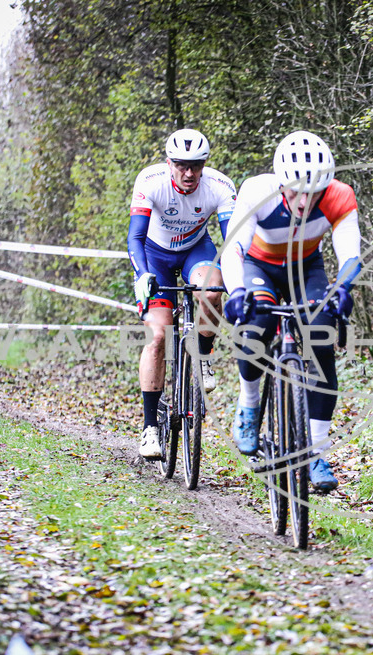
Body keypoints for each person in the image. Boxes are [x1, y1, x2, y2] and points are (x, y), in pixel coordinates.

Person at [221, 130, 362, 493]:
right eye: (295, 191)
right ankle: (250, 406)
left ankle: (316, 454)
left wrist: (342, 288)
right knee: (255, 327)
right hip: (258, 267)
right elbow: (233, 249)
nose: (303, 201)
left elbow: (349, 255)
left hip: (306, 268)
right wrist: (237, 292)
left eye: (312, 193)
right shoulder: (257, 191)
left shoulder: (340, 196)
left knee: (321, 340)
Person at [128, 128, 236, 459]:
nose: (188, 173)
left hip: (195, 251)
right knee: (158, 336)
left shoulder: (219, 186)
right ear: (169, 162)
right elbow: (135, 237)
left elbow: (231, 241)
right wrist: (142, 273)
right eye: (180, 165)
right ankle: (149, 428)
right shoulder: (150, 181)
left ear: (204, 164)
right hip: (155, 255)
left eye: (196, 165)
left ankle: (202, 355)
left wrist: (238, 278)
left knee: (213, 289)